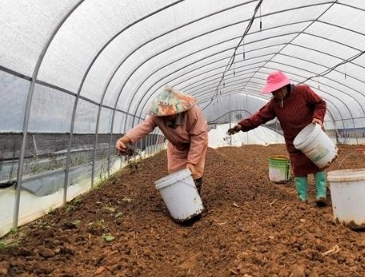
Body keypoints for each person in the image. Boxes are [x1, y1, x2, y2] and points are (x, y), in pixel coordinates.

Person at [227, 71, 328, 206]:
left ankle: (321, 195)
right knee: (299, 167)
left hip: (312, 135)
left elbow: (320, 103)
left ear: (284, 87)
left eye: (276, 90)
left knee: (317, 162)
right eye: (272, 92)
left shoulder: (303, 91)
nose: (274, 94)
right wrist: (241, 125)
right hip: (294, 140)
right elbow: (260, 116)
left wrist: (318, 117)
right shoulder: (274, 103)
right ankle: (302, 199)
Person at [116, 87, 208, 193]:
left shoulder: (192, 112)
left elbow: (198, 138)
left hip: (197, 142)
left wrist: (192, 162)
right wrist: (124, 140)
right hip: (177, 145)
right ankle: (180, 196)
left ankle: (194, 200)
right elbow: (144, 127)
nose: (166, 116)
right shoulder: (158, 115)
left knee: (194, 171)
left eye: (170, 113)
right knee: (175, 171)